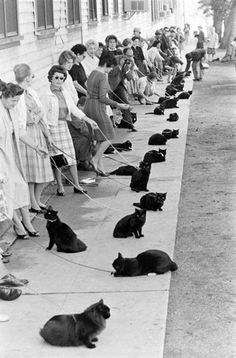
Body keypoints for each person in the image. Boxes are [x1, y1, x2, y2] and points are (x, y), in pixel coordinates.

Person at [0, 80, 47, 239]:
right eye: (13, 100)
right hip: (1, 160)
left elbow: (20, 132)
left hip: (11, 156)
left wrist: (37, 146)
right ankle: (18, 225)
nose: (15, 104)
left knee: (20, 187)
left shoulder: (10, 111)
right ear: (3, 96)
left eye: (17, 101)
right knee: (8, 193)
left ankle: (27, 222)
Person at [41, 65, 98, 195]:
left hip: (63, 126)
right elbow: (43, 116)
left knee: (71, 157)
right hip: (53, 128)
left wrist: (89, 120)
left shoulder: (65, 92)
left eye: (62, 78)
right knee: (58, 159)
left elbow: (73, 109)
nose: (59, 80)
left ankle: (77, 185)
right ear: (50, 78)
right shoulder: (45, 94)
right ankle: (60, 186)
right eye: (56, 77)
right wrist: (47, 133)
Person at [13, 63, 54, 213]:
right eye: (31, 76)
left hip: (37, 131)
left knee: (41, 170)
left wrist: (46, 132)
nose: (33, 78)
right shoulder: (18, 94)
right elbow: (23, 119)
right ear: (26, 77)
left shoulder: (31, 92)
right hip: (27, 135)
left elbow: (41, 111)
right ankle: (32, 202)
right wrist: (35, 116)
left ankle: (37, 198)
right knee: (31, 172)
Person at [84, 53, 130, 176]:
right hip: (98, 107)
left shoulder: (93, 73)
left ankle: (99, 167)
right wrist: (119, 105)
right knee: (108, 136)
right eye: (110, 67)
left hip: (88, 105)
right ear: (107, 64)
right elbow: (103, 98)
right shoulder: (102, 75)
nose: (110, 70)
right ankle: (94, 160)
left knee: (100, 137)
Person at [108, 52, 135, 129]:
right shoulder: (113, 67)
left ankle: (129, 122)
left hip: (119, 86)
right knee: (110, 105)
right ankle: (111, 124)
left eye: (126, 60)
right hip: (111, 87)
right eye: (123, 59)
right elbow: (111, 76)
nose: (124, 61)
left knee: (125, 102)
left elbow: (130, 78)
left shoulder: (125, 67)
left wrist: (129, 68)